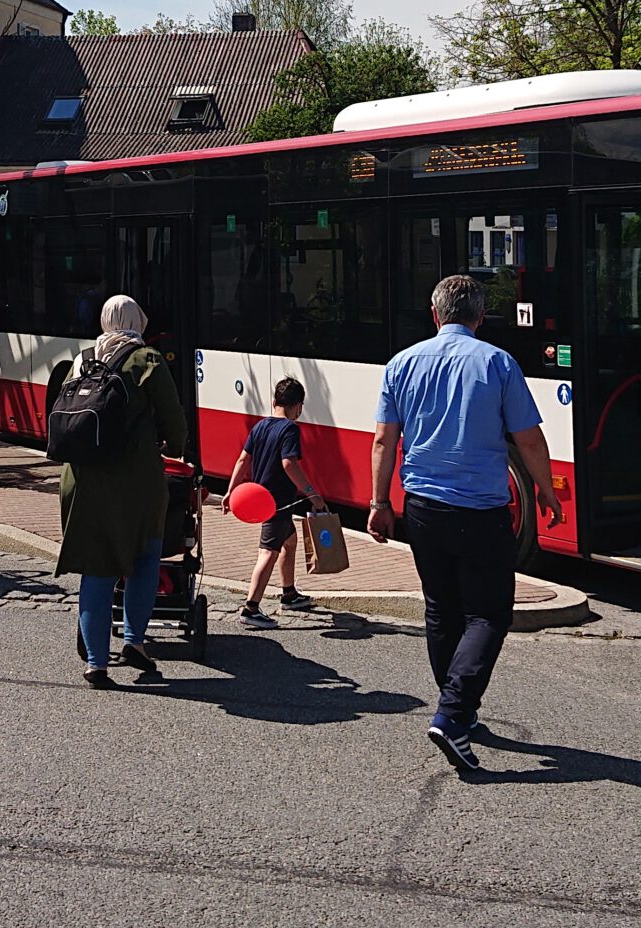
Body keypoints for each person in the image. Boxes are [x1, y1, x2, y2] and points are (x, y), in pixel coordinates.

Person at [366, 274, 563, 772]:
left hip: (423, 508)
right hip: (481, 509)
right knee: (489, 614)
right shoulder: (497, 363)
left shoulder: (401, 363)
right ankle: (453, 715)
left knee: (441, 608)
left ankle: (455, 706)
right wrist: (543, 488)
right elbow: (529, 439)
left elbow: (384, 442)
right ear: (479, 317)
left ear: (435, 315)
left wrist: (378, 502)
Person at [52, 294, 187, 689]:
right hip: (135, 478)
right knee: (146, 555)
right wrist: (176, 447)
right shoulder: (146, 360)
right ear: (138, 321)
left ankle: (96, 664)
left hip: (80, 478)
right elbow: (173, 421)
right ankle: (133, 640)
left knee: (96, 568)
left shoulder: (82, 359)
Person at [227, 377, 328, 628]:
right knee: (267, 553)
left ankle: (289, 594)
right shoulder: (290, 429)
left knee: (289, 541)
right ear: (298, 406)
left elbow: (242, 460)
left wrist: (231, 491)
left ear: (274, 401)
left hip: (265, 499)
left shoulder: (260, 426)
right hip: (277, 502)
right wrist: (312, 494)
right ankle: (251, 608)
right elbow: (288, 463)